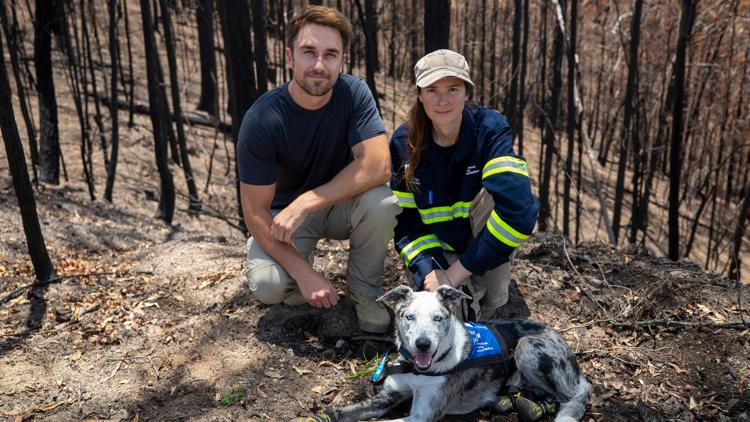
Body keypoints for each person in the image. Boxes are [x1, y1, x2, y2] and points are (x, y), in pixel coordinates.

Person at [237, 6, 400, 334]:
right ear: (289, 56)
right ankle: (300, 276)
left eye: (330, 54)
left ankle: (363, 294)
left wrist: (308, 200)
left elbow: (379, 166)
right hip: (288, 222)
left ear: (343, 60)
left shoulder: (354, 94)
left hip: (342, 206)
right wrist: (303, 272)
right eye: (308, 52)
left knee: (382, 202)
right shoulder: (263, 119)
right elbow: (254, 211)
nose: (319, 65)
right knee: (268, 287)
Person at [389, 49, 539, 323]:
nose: (442, 100)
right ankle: (467, 288)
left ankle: (483, 277)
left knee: (493, 303)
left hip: (479, 243)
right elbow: (406, 224)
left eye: (453, 88)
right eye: (432, 90)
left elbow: (520, 213)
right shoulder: (403, 143)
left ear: (467, 93)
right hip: (436, 247)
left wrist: (456, 273)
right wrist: (430, 271)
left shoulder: (490, 130)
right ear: (420, 95)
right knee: (449, 317)